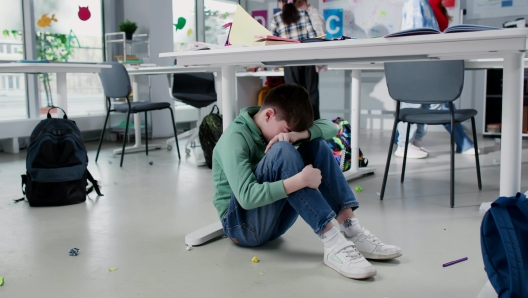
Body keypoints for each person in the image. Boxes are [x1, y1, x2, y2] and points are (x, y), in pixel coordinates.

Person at [212, 84, 402, 280]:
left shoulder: (278, 127)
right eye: (285, 129)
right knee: (283, 150)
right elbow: (246, 197)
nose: (284, 136)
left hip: (274, 225)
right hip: (240, 227)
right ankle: (333, 242)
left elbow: (331, 128)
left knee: (316, 144)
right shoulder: (235, 137)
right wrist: (300, 180)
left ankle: (351, 229)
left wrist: (298, 134)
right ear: (268, 115)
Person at [394, 0, 479, 158]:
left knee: (431, 104)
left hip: (435, 59)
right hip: (424, 59)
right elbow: (414, 33)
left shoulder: (437, 6)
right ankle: (404, 144)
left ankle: (411, 142)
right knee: (425, 102)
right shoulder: (417, 2)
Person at [270, 0, 320, 120]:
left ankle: (297, 129)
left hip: (290, 61)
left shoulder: (276, 18)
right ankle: (316, 128)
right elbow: (313, 37)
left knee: (293, 98)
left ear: (281, 3)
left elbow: (271, 42)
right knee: (311, 95)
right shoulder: (303, 14)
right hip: (308, 60)